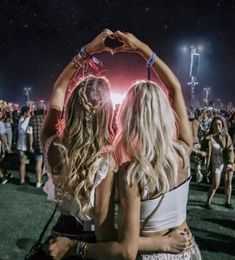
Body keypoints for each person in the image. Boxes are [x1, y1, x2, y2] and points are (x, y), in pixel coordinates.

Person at [48, 31, 197, 260]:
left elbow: (59, 89)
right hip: (187, 251)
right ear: (166, 114)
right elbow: (175, 88)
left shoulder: (129, 173)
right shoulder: (184, 151)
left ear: (126, 117)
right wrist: (141, 48)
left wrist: (86, 52)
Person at [200, 115, 234, 209]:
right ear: (212, 126)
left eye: (219, 124)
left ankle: (227, 202)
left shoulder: (226, 136)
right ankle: (208, 202)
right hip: (216, 163)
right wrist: (203, 154)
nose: (218, 126)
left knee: (228, 182)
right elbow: (203, 150)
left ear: (222, 125)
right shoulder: (208, 138)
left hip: (227, 162)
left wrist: (230, 163)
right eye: (215, 125)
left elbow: (230, 149)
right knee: (215, 184)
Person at [27, 104, 46, 187]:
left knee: (38, 163)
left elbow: (30, 134)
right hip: (47, 145)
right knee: (50, 165)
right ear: (44, 111)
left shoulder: (32, 119)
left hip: (37, 145)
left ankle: (38, 182)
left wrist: (30, 146)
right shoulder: (47, 118)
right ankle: (52, 184)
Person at [17, 105, 31, 185]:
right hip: (22, 146)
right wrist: (28, 118)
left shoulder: (22, 119)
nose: (30, 113)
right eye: (29, 112)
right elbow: (23, 127)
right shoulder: (23, 119)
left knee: (24, 163)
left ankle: (24, 177)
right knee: (23, 163)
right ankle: (22, 180)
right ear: (25, 112)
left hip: (22, 145)